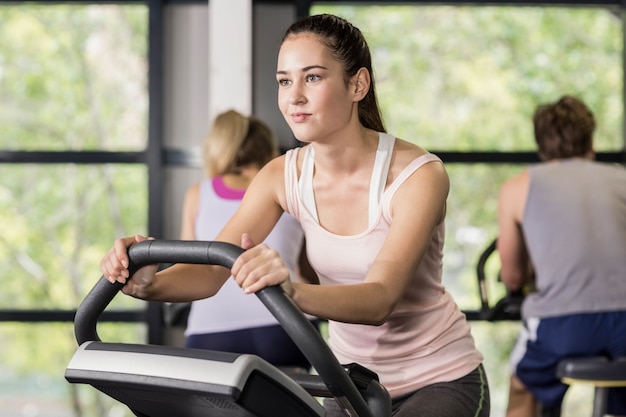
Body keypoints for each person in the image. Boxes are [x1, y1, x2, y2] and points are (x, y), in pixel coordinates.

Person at [101, 13, 490, 417]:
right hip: (351, 382)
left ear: (358, 84)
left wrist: (290, 293)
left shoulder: (418, 175)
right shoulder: (281, 175)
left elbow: (381, 299)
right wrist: (150, 281)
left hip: (439, 377)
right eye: (285, 80)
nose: (294, 97)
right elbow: (213, 268)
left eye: (314, 78)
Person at [497, 95, 626, 417]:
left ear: (541, 144)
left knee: (522, 385)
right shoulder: (622, 178)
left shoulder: (517, 187)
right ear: (590, 140)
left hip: (562, 326)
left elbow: (512, 277)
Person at [179, 109, 317, 369]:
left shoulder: (198, 194)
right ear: (268, 150)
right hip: (286, 326)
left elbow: (189, 266)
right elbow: (312, 272)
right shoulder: (287, 190)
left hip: (211, 332)